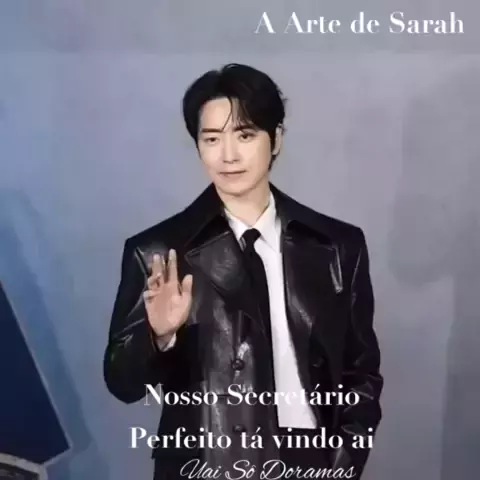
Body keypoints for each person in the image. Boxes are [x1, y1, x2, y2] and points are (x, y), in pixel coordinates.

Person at [103, 63, 383, 479]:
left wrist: (343, 463)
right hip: (207, 463)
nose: (228, 155)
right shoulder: (159, 251)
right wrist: (157, 336)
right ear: (198, 146)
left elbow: (361, 373)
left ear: (276, 139)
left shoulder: (337, 246)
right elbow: (122, 384)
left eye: (245, 135)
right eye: (212, 139)